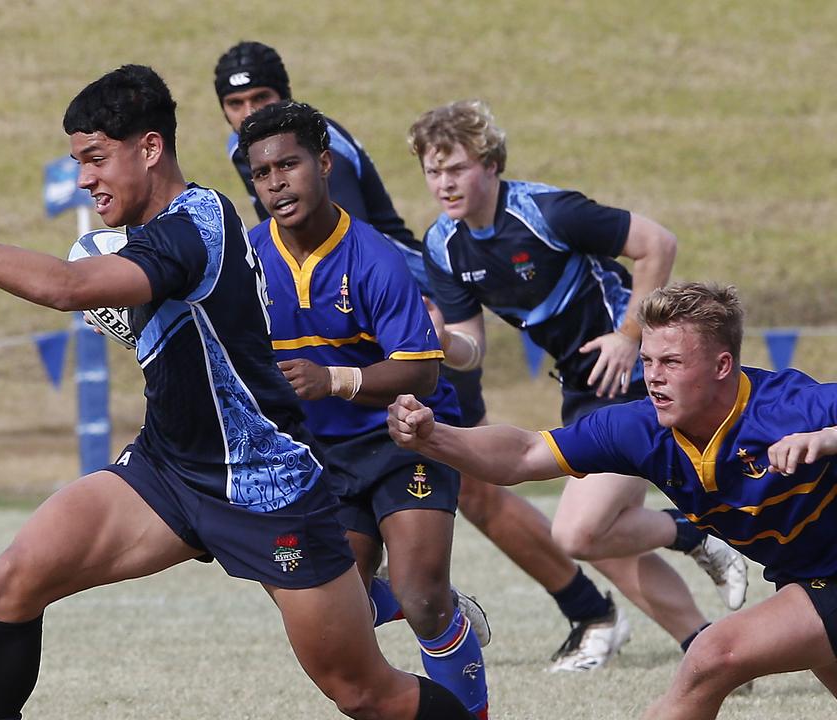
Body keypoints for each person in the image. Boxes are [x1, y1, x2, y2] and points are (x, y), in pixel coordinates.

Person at [0, 64, 474, 720]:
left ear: (150, 148)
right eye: (78, 161)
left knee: (365, 693)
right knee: (17, 577)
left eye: (96, 158)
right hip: (169, 472)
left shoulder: (197, 225)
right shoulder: (148, 238)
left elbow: (67, 289)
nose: (84, 178)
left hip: (263, 488)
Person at [214, 39, 637, 672]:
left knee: (474, 490)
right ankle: (457, 601)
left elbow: (348, 251)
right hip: (349, 359)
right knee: (349, 575)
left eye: (263, 98)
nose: (250, 111)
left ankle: (584, 610)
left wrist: (341, 364)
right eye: (236, 103)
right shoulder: (258, 158)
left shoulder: (322, 153)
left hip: (404, 324)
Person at [388, 282, 837, 718]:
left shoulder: (793, 409)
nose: (654, 377)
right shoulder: (640, 429)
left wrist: (826, 440)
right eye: (647, 360)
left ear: (722, 366)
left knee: (713, 656)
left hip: (826, 577)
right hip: (806, 575)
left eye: (672, 362)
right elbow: (524, 455)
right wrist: (434, 438)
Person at [408, 100, 749, 667]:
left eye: (457, 168)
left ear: (490, 164)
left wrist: (627, 333)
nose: (444, 183)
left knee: (577, 532)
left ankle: (693, 532)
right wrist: (442, 342)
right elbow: (471, 350)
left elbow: (657, 244)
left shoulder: (548, 212)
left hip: (637, 374)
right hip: (583, 385)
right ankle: (708, 649)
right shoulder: (444, 246)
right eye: (433, 172)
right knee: (604, 540)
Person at [241, 100, 489, 717]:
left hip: (403, 438)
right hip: (320, 457)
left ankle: (437, 631)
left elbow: (424, 369)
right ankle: (402, 598)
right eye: (262, 173)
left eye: (289, 165)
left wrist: (335, 380)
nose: (277, 183)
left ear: (324, 164)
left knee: (423, 594)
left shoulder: (373, 256)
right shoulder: (246, 261)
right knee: (329, 613)